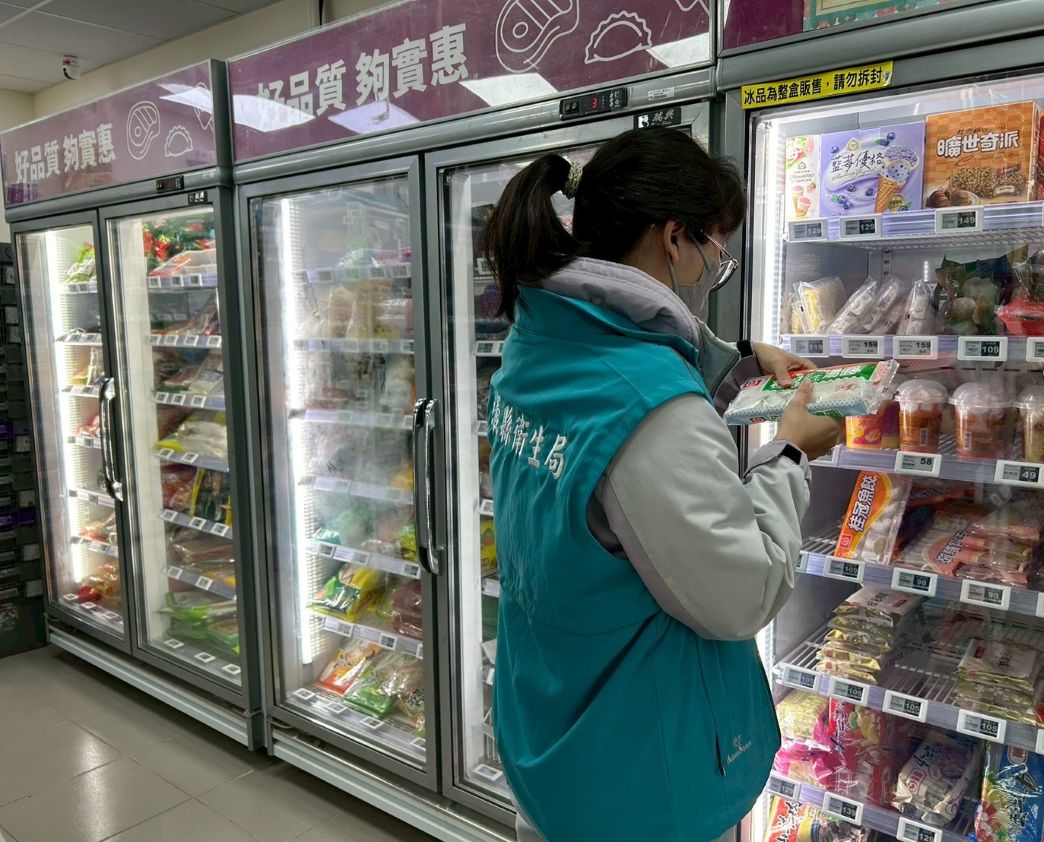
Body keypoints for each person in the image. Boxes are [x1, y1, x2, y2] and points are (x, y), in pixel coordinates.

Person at [482, 127, 843, 842]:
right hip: (638, 770)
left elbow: (622, 352)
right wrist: (790, 455)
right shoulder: (654, 410)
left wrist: (739, 359)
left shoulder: (537, 337)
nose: (713, 271)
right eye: (716, 252)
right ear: (674, 238)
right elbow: (741, 594)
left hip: (550, 721)